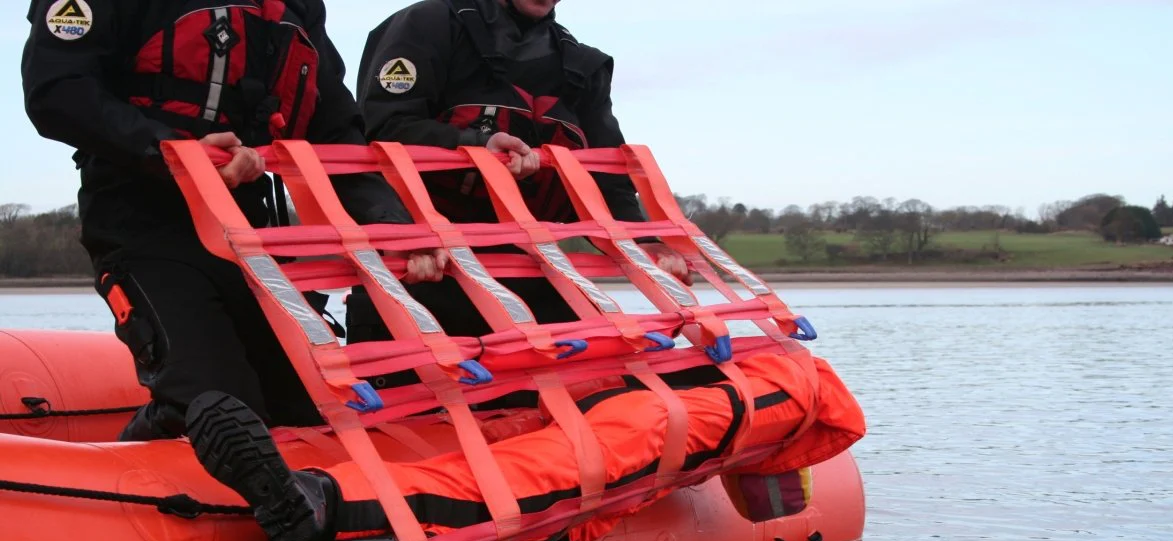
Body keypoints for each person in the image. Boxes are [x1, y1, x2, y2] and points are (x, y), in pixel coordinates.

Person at [21, 0, 444, 445]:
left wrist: (393, 226)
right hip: (141, 224)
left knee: (307, 411)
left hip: (250, 236)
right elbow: (56, 92)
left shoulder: (296, 9)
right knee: (220, 409)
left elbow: (335, 131)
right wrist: (173, 151)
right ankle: (121, 471)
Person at [345, 0, 690, 345]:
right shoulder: (427, 26)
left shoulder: (583, 66)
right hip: (422, 274)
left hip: (533, 285)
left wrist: (644, 242)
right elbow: (382, 128)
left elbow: (607, 178)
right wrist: (474, 144)